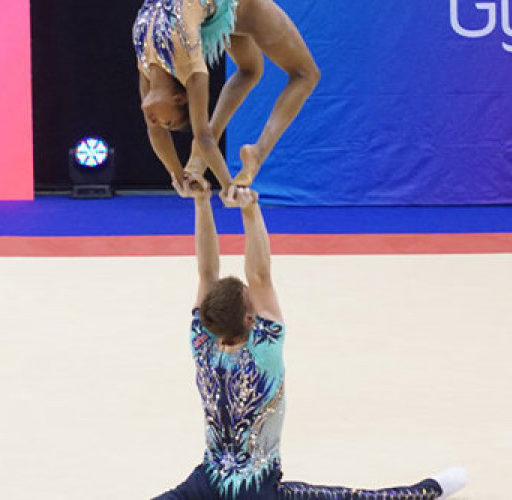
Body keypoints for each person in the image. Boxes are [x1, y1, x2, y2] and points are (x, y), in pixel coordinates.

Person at [154, 178, 469, 499]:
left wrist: (201, 202)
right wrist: (250, 208)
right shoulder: (263, 349)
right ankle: (429, 491)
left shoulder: (202, 343)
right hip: (255, 492)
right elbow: (259, 274)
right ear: (250, 319)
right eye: (250, 297)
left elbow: (206, 272)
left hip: (205, 486)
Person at [133, 0, 321, 195]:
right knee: (301, 74)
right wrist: (179, 177)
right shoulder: (155, 55)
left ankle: (215, 155)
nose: (156, 121)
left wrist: (220, 182)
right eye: (168, 123)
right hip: (213, 12)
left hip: (221, 10)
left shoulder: (156, 58)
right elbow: (157, 131)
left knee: (272, 72)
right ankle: (255, 154)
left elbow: (192, 134)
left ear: (179, 99)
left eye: (169, 123)